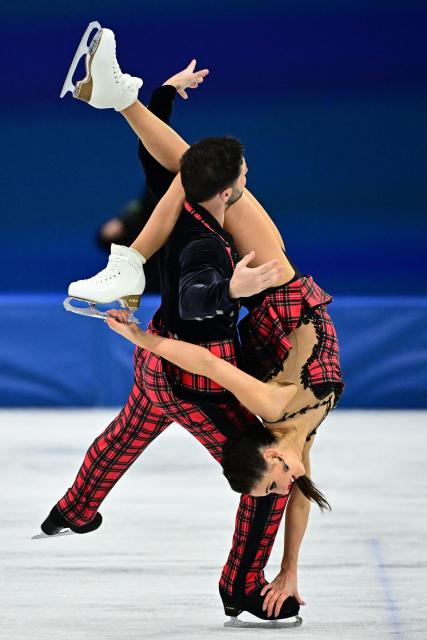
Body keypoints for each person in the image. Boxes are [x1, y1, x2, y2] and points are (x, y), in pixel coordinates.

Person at [38, 25, 301, 627]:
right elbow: (196, 289)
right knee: (264, 470)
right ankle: (241, 586)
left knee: (128, 433)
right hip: (188, 371)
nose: (245, 182)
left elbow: (169, 161)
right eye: (242, 178)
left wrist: (160, 96)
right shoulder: (209, 245)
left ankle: (75, 509)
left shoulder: (180, 196)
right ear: (231, 190)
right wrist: (227, 291)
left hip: (155, 360)